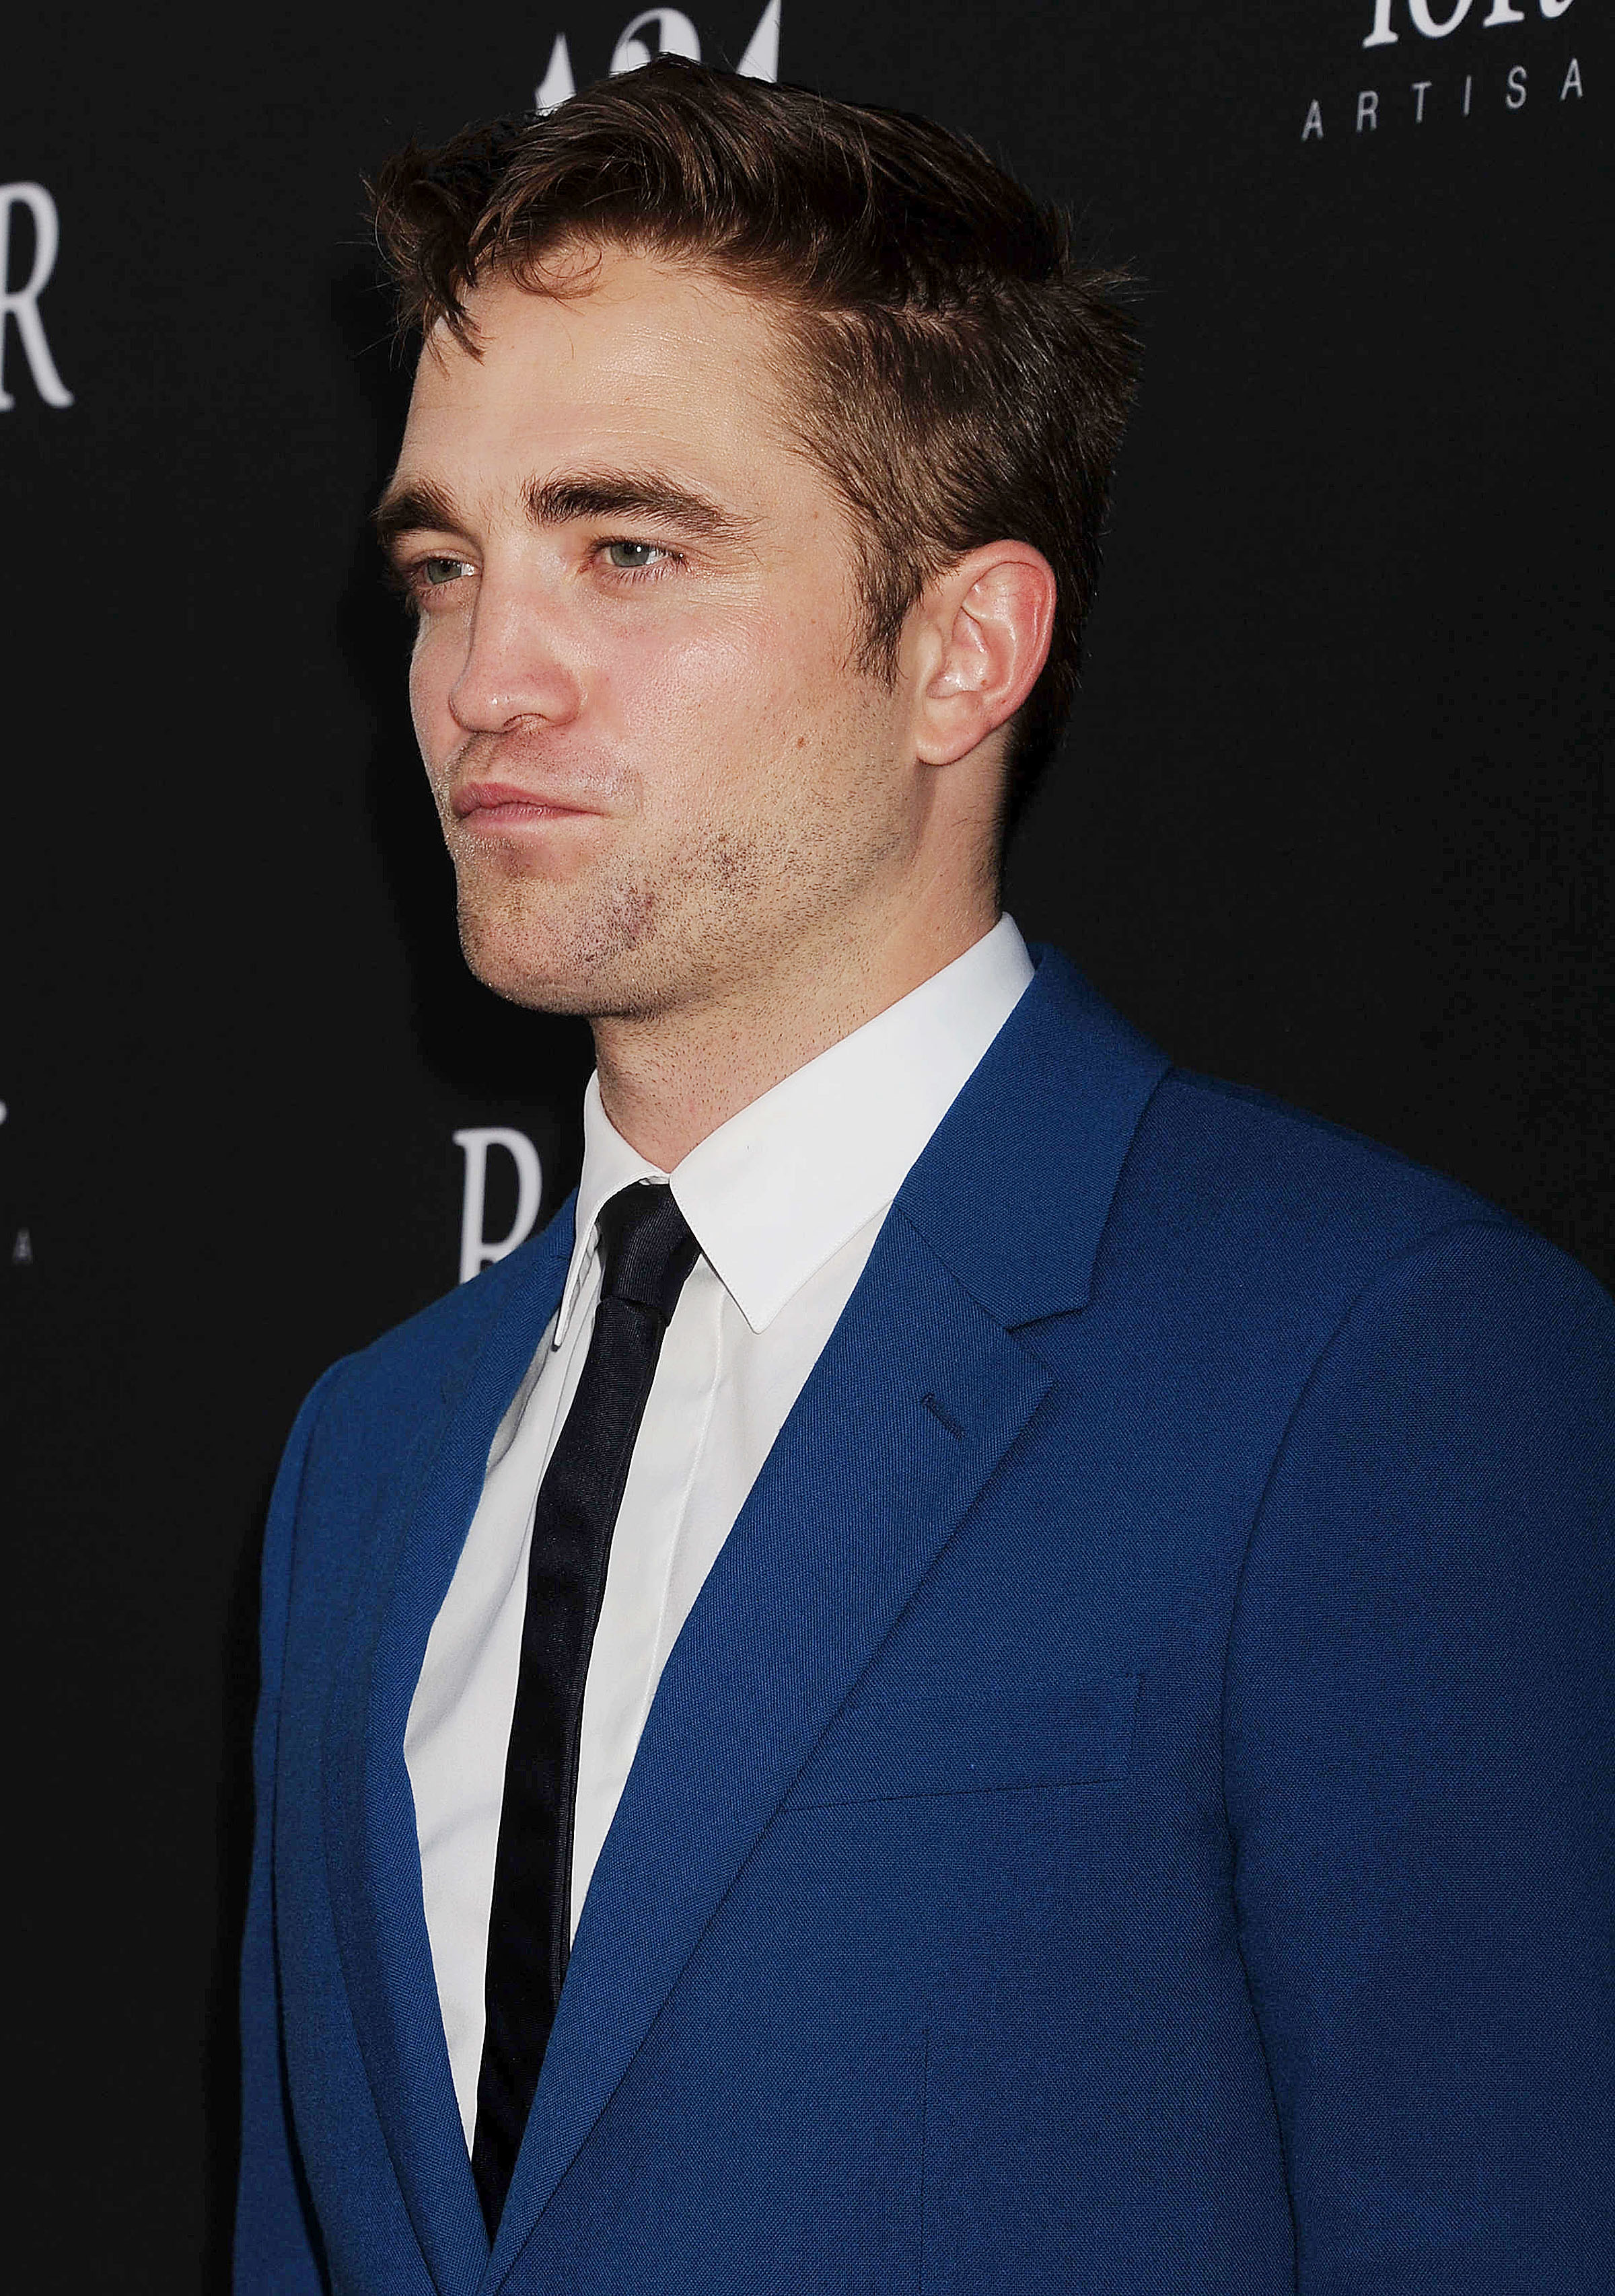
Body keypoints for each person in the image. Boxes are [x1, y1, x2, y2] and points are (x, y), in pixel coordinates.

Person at [235, 59, 1614, 2296]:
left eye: (629, 550)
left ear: (964, 649)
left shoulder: (1372, 1379)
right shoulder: (366, 1459)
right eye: (444, 566)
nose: (488, 676)